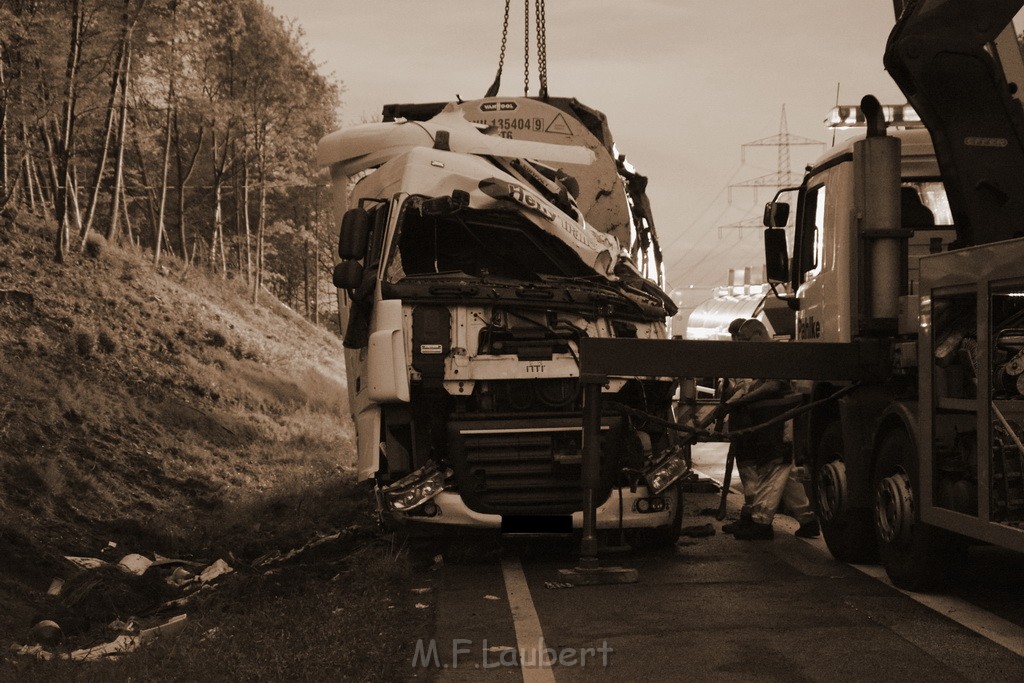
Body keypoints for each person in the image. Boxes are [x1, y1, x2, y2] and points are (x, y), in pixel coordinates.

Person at [719, 319, 818, 540]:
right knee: (785, 472)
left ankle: (761, 521)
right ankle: (808, 519)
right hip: (771, 421)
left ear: (757, 334)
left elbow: (774, 385)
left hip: (777, 423)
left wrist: (740, 401)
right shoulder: (762, 354)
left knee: (774, 468)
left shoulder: (774, 354)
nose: (741, 344)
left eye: (744, 339)